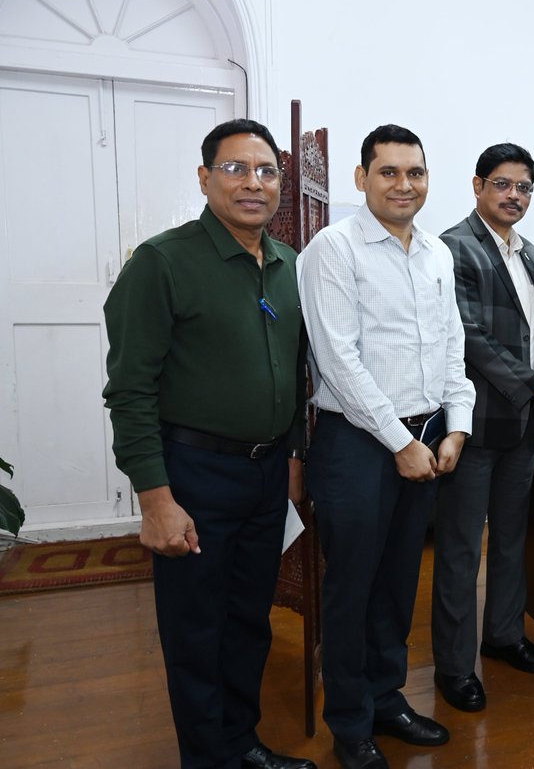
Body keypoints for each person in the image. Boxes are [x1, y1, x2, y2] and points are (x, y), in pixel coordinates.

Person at [103, 119, 314, 769]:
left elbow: (299, 373)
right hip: (192, 474)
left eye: (267, 171)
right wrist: (155, 500)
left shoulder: (290, 266)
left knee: (249, 620)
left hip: (265, 474)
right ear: (204, 178)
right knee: (196, 630)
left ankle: (241, 744)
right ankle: (206, 758)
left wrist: (294, 458)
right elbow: (129, 391)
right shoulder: (163, 262)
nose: (253, 183)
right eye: (235, 168)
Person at [298, 125, 475, 769]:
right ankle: (350, 722)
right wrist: (400, 441)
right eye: (389, 172)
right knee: (353, 587)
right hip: (356, 442)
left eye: (415, 172)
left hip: (425, 437)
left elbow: (452, 346)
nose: (404, 185)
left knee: (399, 582)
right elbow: (337, 360)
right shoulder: (333, 248)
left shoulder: (436, 253)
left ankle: (385, 698)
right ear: (361, 177)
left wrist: (457, 424)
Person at [433, 143, 534, 712]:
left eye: (524, 187)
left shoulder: (528, 254)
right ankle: (455, 667)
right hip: (473, 425)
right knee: (460, 551)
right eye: (503, 184)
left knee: (511, 539)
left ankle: (503, 635)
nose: (514, 196)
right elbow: (469, 337)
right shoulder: (454, 247)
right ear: (478, 185)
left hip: (524, 424)